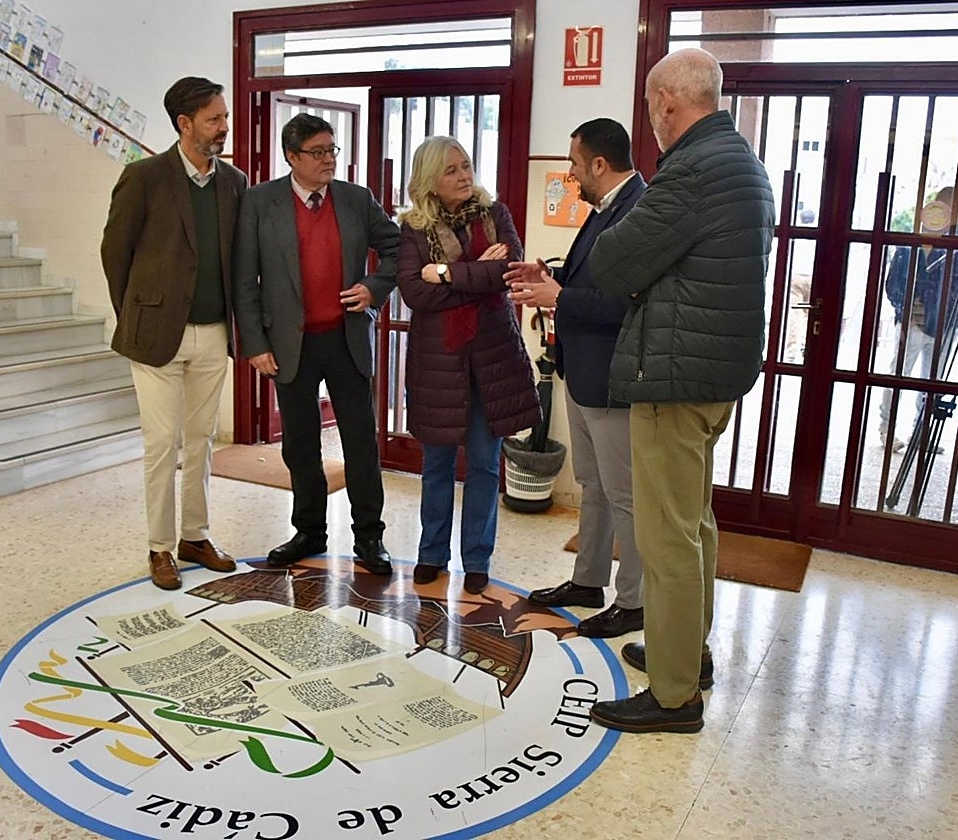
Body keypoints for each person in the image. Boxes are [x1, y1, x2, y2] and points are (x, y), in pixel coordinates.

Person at [585, 48, 774, 733]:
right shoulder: (742, 161)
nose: (650, 119)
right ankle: (686, 653)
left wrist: (642, 270)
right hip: (715, 372)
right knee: (694, 523)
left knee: (666, 539)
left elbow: (612, 262)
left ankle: (672, 695)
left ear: (667, 101)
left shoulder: (690, 171)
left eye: (649, 105)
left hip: (674, 373)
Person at [233, 113, 400, 575]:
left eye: (332, 150)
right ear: (292, 156)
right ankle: (309, 531)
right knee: (301, 443)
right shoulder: (260, 202)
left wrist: (374, 288)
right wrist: (255, 344)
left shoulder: (356, 199)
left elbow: (398, 248)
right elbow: (244, 279)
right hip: (291, 344)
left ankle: (370, 536)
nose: (328, 160)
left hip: (346, 338)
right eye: (318, 152)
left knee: (360, 442)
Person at [100, 78, 247, 590]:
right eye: (214, 119)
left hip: (214, 333)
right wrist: (137, 315)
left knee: (203, 440)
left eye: (224, 117)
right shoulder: (144, 177)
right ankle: (159, 547)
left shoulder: (234, 183)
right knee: (162, 443)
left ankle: (195, 536)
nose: (224, 127)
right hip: (157, 335)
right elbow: (115, 253)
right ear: (185, 124)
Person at [508, 118, 648, 636]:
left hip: (613, 378)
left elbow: (630, 304)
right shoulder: (605, 209)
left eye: (573, 163)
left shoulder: (639, 211)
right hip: (585, 370)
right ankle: (588, 580)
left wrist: (561, 297)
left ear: (599, 164)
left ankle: (634, 601)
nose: (570, 174)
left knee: (624, 494)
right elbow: (592, 277)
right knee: (594, 486)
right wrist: (550, 278)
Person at [396, 136, 540, 595]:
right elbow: (414, 293)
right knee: (437, 464)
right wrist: (478, 275)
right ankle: (431, 553)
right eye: (451, 170)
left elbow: (507, 272)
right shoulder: (413, 228)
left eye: (466, 165)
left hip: (492, 360)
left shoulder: (495, 215)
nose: (464, 176)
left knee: (484, 464)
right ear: (430, 181)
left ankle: (477, 558)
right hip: (438, 363)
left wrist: (444, 272)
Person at [879, 186, 958, 451]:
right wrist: (905, 311)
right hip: (915, 322)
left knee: (931, 382)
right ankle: (887, 429)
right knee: (898, 377)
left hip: (945, 323)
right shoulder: (915, 241)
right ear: (945, 205)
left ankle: (921, 434)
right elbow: (893, 283)